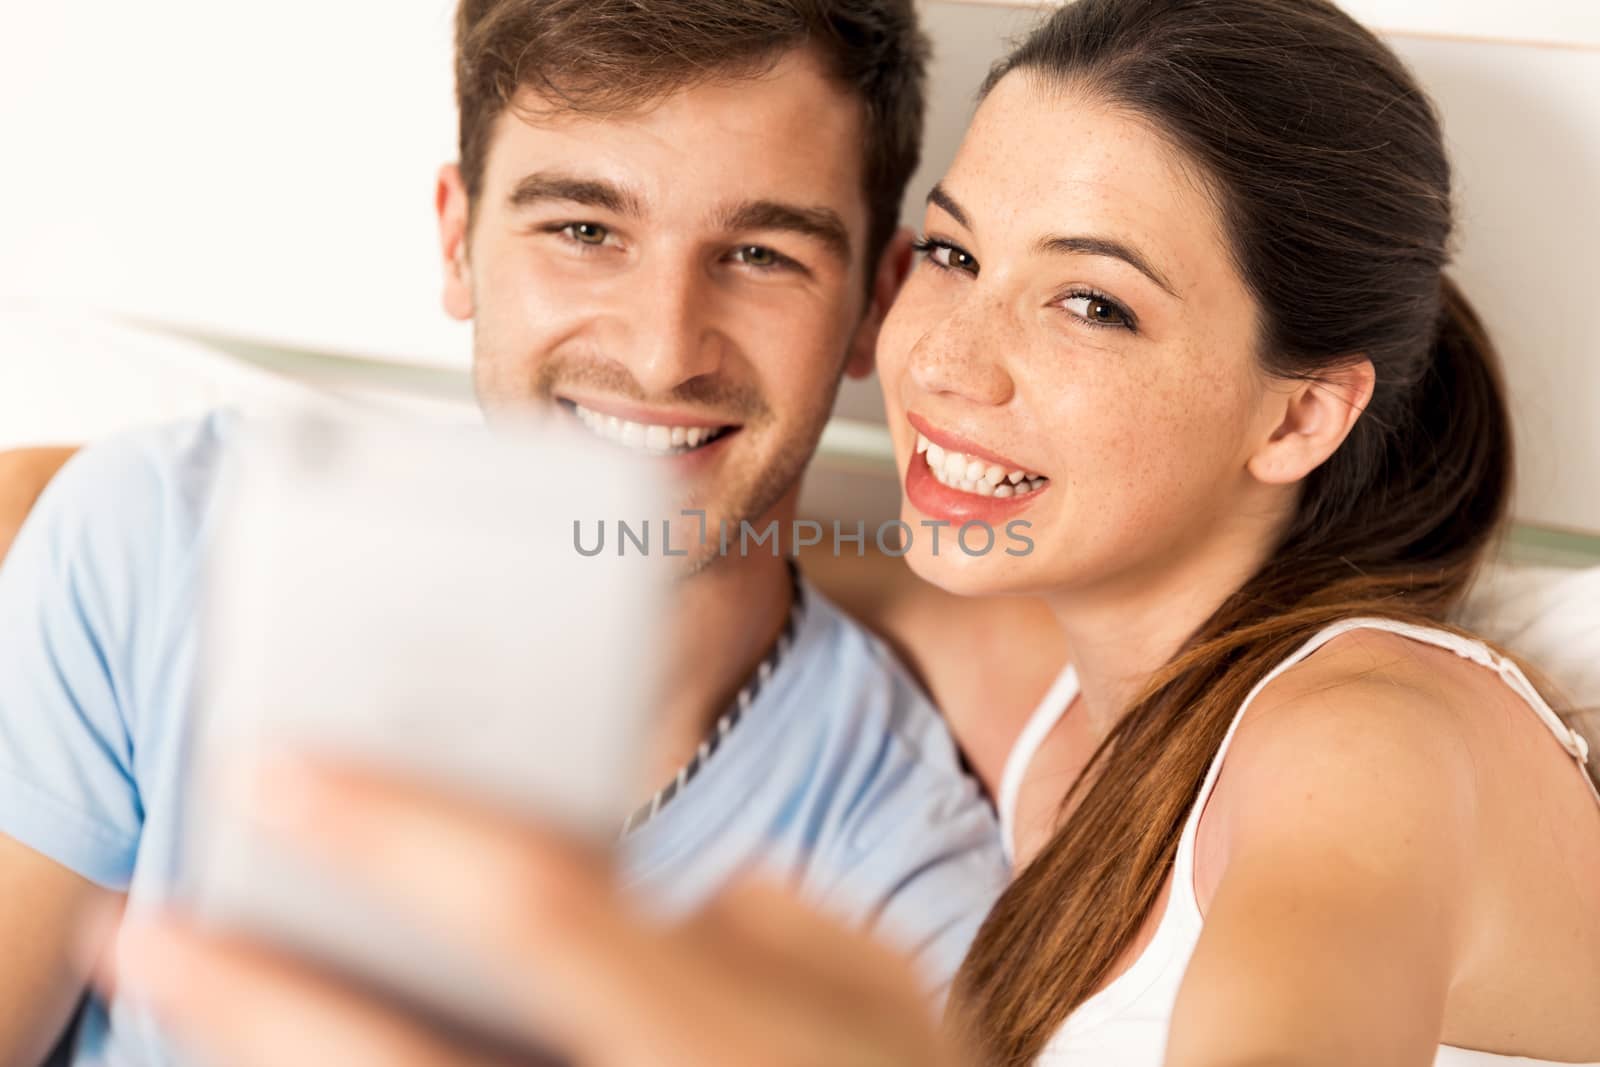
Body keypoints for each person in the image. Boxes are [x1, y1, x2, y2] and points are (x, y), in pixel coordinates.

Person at [94, 0, 1600, 1064]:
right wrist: (67, 503)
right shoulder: (1031, 668)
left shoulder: (1362, 740)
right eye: (953, 251)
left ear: (1297, 417)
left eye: (1090, 300)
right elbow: (692, 521)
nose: (946, 358)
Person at [0, 2, 1017, 1064]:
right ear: (457, 236)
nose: (665, 350)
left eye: (759, 253)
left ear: (873, 304)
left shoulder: (903, 894)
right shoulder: (151, 541)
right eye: (584, 230)